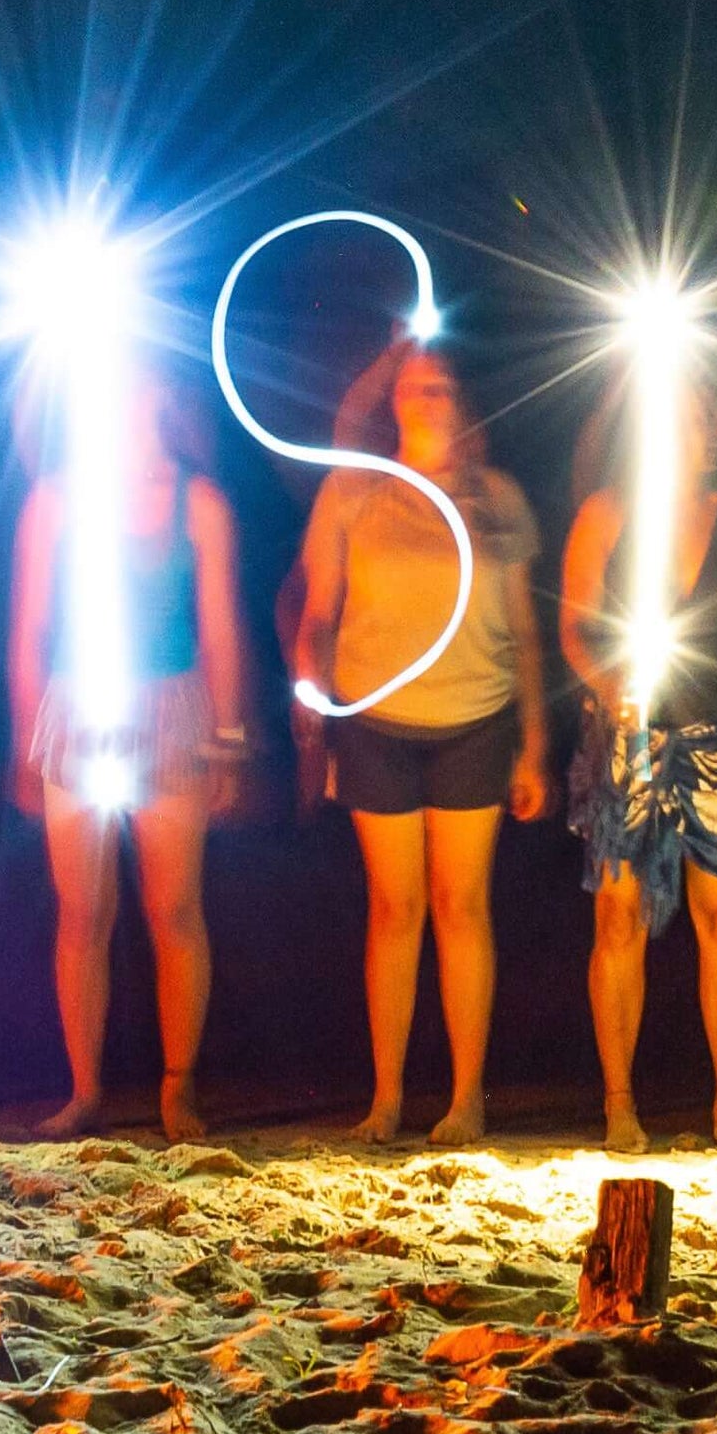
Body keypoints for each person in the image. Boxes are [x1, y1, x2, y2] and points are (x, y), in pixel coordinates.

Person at [289, 340, 551, 1143]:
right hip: (377, 724)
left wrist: (536, 744)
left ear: (461, 403)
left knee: (461, 906)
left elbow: (526, 631)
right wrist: (310, 688)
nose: (425, 398)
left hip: (476, 716)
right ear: (392, 402)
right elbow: (319, 610)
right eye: (412, 386)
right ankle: (388, 1098)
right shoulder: (352, 490)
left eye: (440, 387)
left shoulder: (498, 497)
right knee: (395, 909)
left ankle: (466, 1097)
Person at [554, 373, 717, 1153]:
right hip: (628, 739)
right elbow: (572, 628)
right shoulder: (608, 514)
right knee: (619, 916)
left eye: (698, 418)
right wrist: (608, 691)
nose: (684, 431)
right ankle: (619, 1104)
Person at [6, 383, 259, 1140]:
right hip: (77, 709)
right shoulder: (53, 499)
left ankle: (178, 1089)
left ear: (158, 395)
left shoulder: (199, 503)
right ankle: (85, 1091)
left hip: (171, 710)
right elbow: (30, 628)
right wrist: (26, 739)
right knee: (81, 909)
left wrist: (229, 740)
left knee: (174, 907)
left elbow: (220, 630)